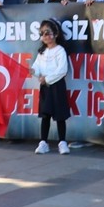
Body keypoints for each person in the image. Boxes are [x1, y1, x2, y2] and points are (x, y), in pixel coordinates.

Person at [32, 18, 70, 155]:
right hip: (45, 88)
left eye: (48, 33)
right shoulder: (42, 52)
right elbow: (37, 66)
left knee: (60, 115)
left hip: (57, 86)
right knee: (45, 115)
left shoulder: (60, 51)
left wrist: (47, 78)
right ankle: (43, 142)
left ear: (55, 34)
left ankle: (62, 142)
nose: (45, 36)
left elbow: (62, 70)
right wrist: (33, 71)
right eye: (42, 34)